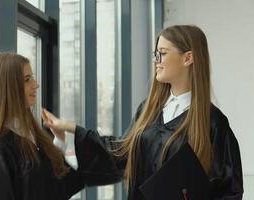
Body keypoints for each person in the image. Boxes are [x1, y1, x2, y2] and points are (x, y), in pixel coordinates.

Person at [42, 25, 244, 200]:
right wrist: (69, 129)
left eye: (162, 53)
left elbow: (228, 190)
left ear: (188, 58)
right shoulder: (148, 111)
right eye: (155, 54)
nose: (156, 60)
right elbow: (120, 153)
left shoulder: (213, 123)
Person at [0, 53, 84, 200]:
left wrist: (61, 141)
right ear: (7, 88)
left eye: (32, 78)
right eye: (27, 80)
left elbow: (59, 186)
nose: (36, 84)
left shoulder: (31, 136)